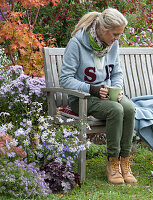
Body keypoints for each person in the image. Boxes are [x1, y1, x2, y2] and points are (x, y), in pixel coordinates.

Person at [59, 8, 137, 184]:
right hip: (83, 99)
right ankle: (112, 162)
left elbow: (117, 72)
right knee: (116, 110)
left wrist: (117, 88)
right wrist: (92, 89)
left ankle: (124, 160)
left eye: (120, 35)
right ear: (102, 29)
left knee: (129, 108)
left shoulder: (113, 45)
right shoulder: (76, 44)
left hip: (107, 94)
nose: (118, 39)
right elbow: (65, 79)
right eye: (115, 34)